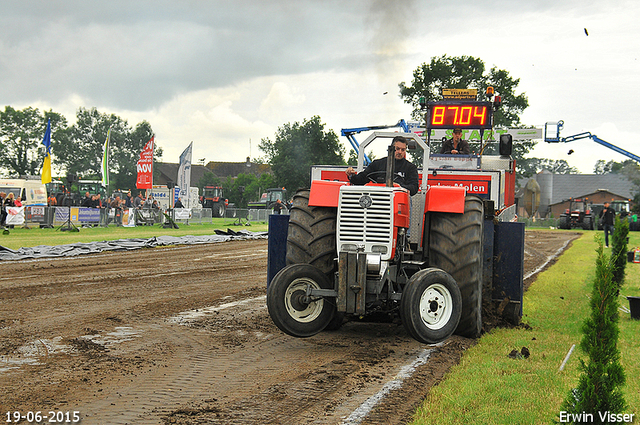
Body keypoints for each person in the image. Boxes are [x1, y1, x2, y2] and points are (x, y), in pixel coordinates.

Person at [345, 136, 419, 196]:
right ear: (391, 148)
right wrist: (352, 175)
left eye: (403, 150)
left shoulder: (410, 168)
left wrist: (399, 187)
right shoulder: (377, 164)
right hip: (378, 197)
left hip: (399, 198)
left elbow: (414, 188)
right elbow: (361, 179)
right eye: (397, 149)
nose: (400, 152)